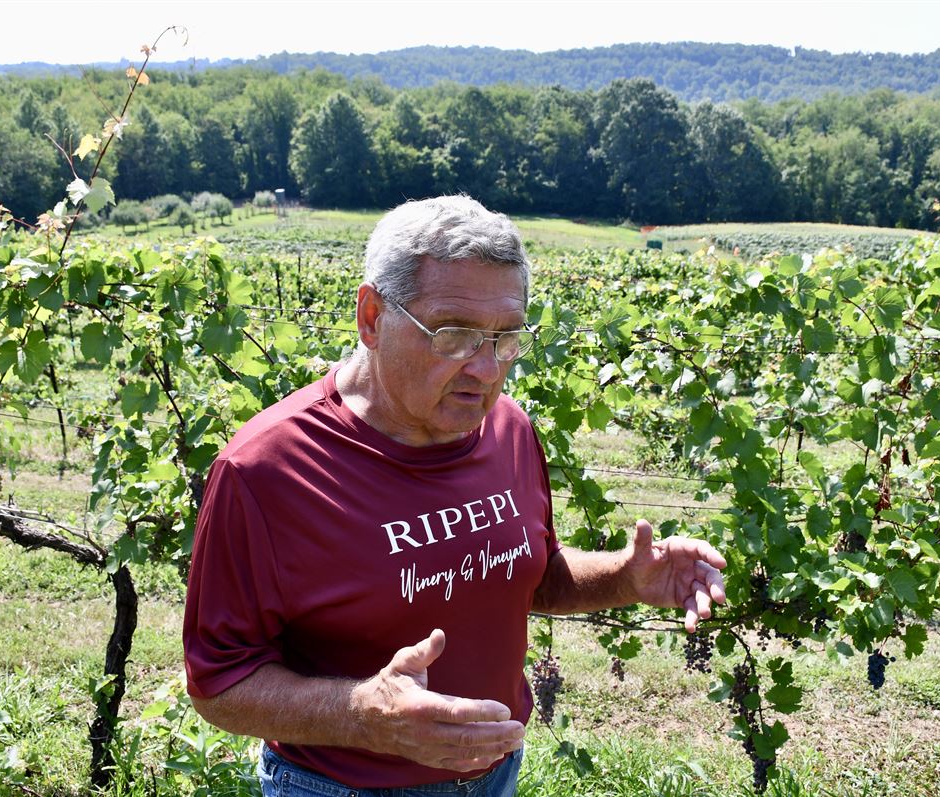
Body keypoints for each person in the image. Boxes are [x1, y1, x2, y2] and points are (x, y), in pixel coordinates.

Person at [183, 195, 727, 797]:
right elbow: (220, 683)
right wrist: (366, 715)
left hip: (496, 778)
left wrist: (625, 578)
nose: (487, 369)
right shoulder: (267, 469)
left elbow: (530, 576)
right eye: (453, 335)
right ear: (371, 316)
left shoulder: (509, 430)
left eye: (505, 338)